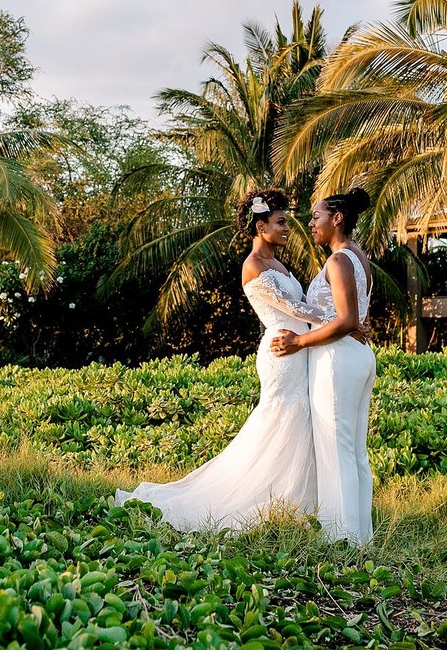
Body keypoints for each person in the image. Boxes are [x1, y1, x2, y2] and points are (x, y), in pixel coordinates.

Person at [115, 189, 326, 530]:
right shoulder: (254, 266)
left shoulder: (279, 264)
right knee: (285, 416)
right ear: (261, 227)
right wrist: (341, 321)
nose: (288, 228)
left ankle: (298, 499)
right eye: (281, 222)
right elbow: (293, 309)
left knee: (298, 418)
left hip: (299, 346)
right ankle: (264, 496)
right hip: (282, 349)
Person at [272, 190, 375, 546]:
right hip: (356, 356)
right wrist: (352, 323)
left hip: (337, 360)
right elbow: (356, 314)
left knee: (337, 449)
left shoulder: (338, 261)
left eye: (317, 217)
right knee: (354, 450)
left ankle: (342, 538)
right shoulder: (359, 258)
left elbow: (345, 319)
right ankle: (361, 537)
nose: (311, 224)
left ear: (337, 218)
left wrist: (297, 342)